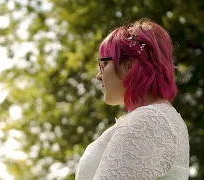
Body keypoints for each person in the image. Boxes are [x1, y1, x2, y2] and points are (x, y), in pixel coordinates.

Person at [75, 19, 190, 180]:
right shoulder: (162, 118)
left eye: (104, 64)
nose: (98, 76)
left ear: (129, 65)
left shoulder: (148, 120)